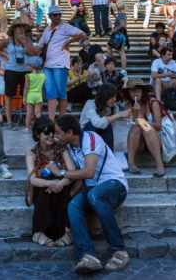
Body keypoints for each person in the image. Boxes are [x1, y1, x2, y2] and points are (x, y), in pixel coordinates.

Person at [50, 114, 130, 274]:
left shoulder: (90, 139)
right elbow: (81, 178)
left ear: (70, 132)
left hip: (115, 185)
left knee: (95, 195)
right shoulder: (70, 147)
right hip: (92, 189)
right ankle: (87, 255)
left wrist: (61, 173)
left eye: (58, 132)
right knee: (73, 205)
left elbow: (88, 172)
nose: (56, 136)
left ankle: (120, 250)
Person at [26, 116, 76, 247]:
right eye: (46, 133)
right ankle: (38, 232)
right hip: (44, 188)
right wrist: (50, 184)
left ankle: (67, 231)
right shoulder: (32, 154)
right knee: (46, 184)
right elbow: (32, 179)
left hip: (62, 186)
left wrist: (59, 183)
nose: (51, 136)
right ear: (37, 134)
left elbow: (72, 171)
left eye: (53, 132)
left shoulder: (61, 149)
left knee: (62, 188)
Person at [38, 5, 86, 121]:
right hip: (48, 65)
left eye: (59, 14)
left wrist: (69, 41)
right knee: (50, 93)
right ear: (50, 16)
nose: (58, 17)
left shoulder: (65, 27)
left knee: (61, 92)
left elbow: (82, 34)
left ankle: (62, 119)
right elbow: (40, 45)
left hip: (60, 64)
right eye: (55, 15)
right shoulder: (47, 29)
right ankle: (51, 120)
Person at [0, 22, 38, 128]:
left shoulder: (27, 40)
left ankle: (28, 121)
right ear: (13, 29)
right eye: (19, 27)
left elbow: (32, 53)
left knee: (27, 96)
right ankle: (9, 122)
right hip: (11, 70)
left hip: (25, 70)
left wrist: (24, 41)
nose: (21, 29)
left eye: (23, 27)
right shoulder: (8, 40)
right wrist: (5, 55)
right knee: (9, 95)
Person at [122, 79, 165, 176]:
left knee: (145, 126)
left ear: (142, 91)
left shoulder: (152, 102)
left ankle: (159, 164)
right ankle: (131, 162)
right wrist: (136, 114)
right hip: (140, 143)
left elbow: (158, 125)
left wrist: (143, 121)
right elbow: (130, 123)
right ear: (128, 92)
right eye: (132, 91)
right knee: (136, 125)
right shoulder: (128, 105)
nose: (135, 93)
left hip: (155, 139)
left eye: (137, 90)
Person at [79, 82, 130, 151]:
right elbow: (96, 123)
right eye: (112, 97)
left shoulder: (114, 108)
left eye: (115, 97)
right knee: (92, 124)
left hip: (102, 137)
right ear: (104, 96)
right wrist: (119, 115)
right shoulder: (90, 104)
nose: (114, 99)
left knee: (107, 125)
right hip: (86, 136)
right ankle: (90, 151)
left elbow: (112, 128)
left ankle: (108, 153)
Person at [23, 56, 45, 132]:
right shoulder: (42, 75)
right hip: (39, 95)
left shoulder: (28, 76)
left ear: (32, 66)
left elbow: (26, 88)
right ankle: (39, 128)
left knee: (29, 113)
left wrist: (24, 98)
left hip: (30, 95)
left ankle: (26, 128)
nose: (27, 66)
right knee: (38, 113)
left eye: (28, 65)